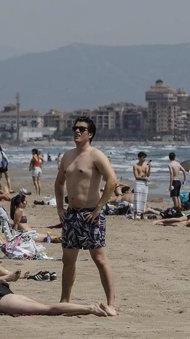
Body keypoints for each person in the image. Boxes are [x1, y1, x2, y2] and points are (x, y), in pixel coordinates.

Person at [54, 116, 118, 316]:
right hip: (71, 214)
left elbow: (112, 181)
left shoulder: (96, 155)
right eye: (75, 128)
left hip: (91, 214)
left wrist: (99, 208)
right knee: (68, 260)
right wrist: (59, 209)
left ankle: (111, 303)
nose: (77, 131)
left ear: (90, 134)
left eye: (81, 129)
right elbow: (58, 183)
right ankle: (65, 300)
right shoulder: (67, 156)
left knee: (99, 258)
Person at [0, 261, 108, 316]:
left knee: (49, 309)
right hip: (7, 301)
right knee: (48, 308)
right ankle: (88, 308)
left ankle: (90, 308)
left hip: (4, 304)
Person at [132, 151, 151, 219]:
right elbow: (136, 176)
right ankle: (135, 215)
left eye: (145, 158)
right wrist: (145, 178)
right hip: (138, 183)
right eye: (143, 158)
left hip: (144, 184)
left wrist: (150, 168)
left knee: (143, 199)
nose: (144, 159)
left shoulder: (146, 165)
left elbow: (148, 175)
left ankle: (142, 215)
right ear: (139, 158)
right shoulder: (135, 165)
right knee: (137, 199)